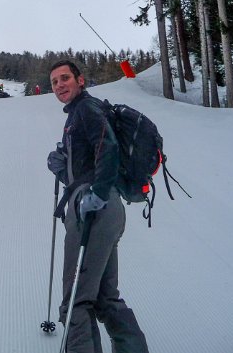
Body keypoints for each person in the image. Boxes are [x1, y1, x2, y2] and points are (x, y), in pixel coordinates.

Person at [47, 60, 149, 353]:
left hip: (93, 210)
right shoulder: (81, 113)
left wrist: (97, 194)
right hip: (106, 209)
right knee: (105, 297)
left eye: (65, 78)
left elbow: (108, 147)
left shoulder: (86, 109)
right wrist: (62, 167)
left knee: (77, 299)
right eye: (54, 82)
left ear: (81, 80)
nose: (59, 85)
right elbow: (87, 165)